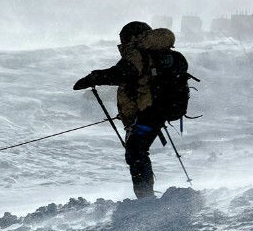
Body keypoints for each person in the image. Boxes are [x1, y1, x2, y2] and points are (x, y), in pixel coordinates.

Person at [73, 21, 187, 199]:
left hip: (148, 112)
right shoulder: (157, 55)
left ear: (133, 37)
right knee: (137, 150)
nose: (121, 43)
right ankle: (145, 195)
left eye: (123, 38)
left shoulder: (137, 53)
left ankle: (145, 197)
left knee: (136, 150)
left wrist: (94, 77)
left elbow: (124, 72)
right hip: (157, 110)